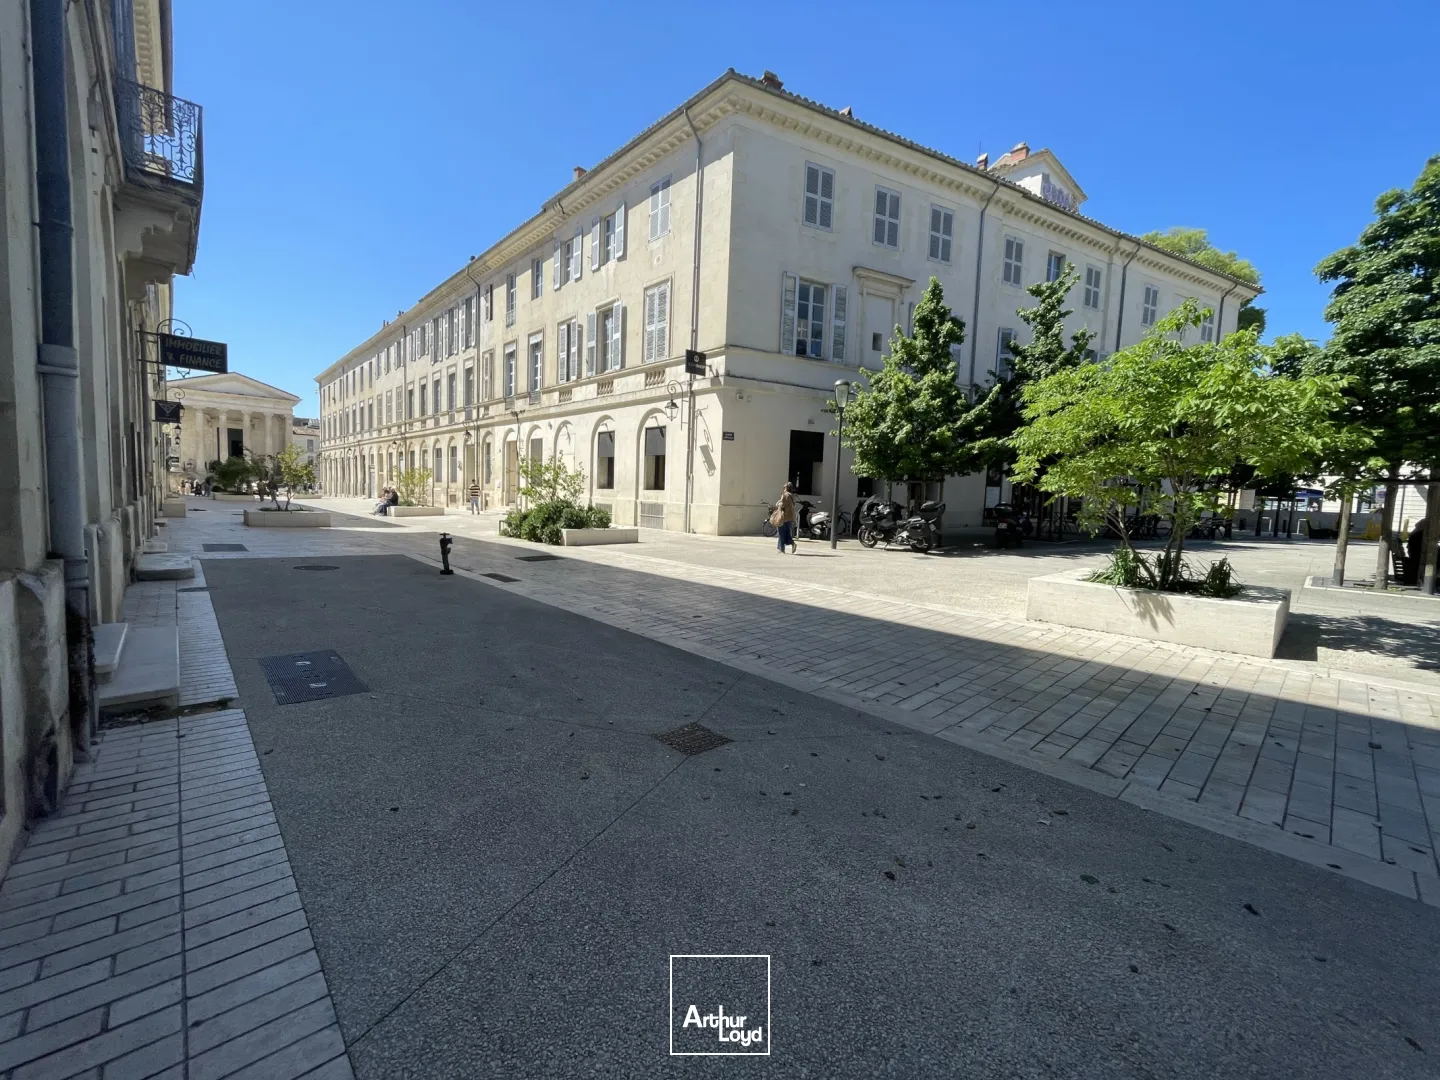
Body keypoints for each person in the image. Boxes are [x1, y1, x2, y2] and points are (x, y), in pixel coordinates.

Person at [774, 481, 798, 554]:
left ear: (786, 488)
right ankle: (786, 546)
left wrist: (778, 504)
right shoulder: (793, 496)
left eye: (784, 487)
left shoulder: (785, 495)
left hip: (784, 516)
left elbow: (782, 505)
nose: (783, 489)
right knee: (786, 532)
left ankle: (782, 549)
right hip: (790, 517)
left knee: (781, 532)